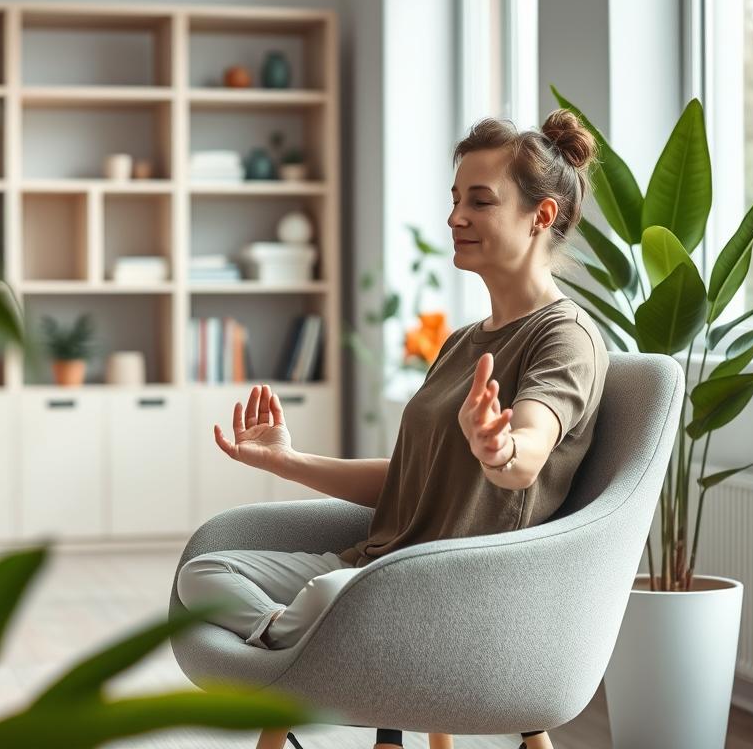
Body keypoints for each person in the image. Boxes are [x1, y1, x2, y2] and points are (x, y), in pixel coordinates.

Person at [176, 109, 610, 749]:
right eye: (455, 198)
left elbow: (526, 455)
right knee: (204, 575)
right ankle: (295, 641)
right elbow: (408, 481)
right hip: (374, 569)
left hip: (444, 591)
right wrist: (288, 461)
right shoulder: (462, 342)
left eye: (480, 201)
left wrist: (500, 447)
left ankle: (299, 654)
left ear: (540, 217)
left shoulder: (563, 337)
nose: (455, 216)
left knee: (328, 597)